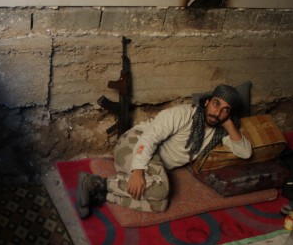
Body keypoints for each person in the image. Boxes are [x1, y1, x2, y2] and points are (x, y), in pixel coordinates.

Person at [77, 84, 252, 217]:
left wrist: (228, 123)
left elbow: (245, 152)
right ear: (207, 101)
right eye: (216, 104)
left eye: (225, 110)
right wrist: (137, 172)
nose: (217, 112)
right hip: (134, 144)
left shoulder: (218, 131)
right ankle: (98, 182)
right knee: (161, 190)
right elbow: (149, 138)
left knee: (160, 205)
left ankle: (102, 194)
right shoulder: (182, 114)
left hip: (155, 161)